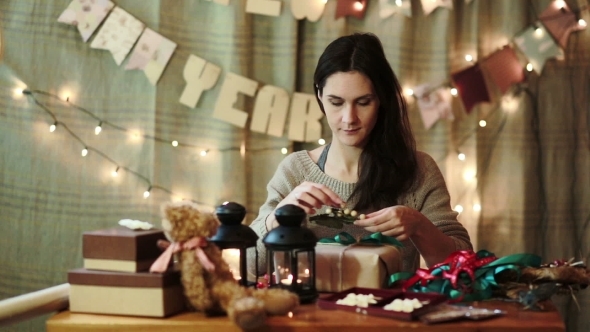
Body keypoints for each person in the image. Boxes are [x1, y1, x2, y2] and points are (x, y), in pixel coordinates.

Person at [249, 32, 472, 275]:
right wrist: (279, 217)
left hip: (390, 311)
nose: (349, 118)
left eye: (363, 102)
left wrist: (419, 226)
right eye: (336, 102)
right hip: (312, 312)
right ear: (320, 96)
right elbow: (252, 263)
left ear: (381, 100)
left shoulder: (419, 170)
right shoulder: (295, 170)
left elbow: (463, 266)